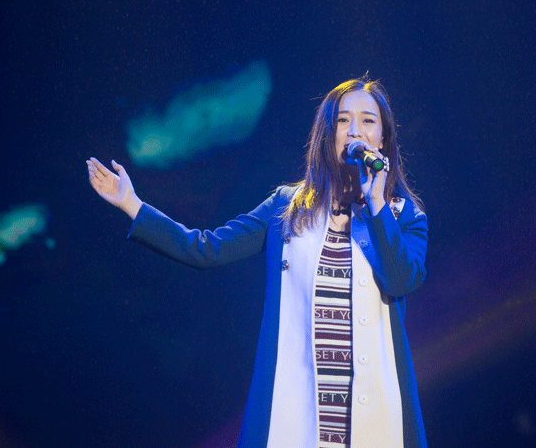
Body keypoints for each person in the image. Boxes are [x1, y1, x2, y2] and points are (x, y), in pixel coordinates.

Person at [87, 76, 428, 448]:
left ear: (383, 139)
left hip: (375, 418)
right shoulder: (288, 206)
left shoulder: (403, 216)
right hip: (297, 416)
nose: (355, 131)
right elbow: (205, 248)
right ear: (327, 135)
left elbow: (400, 280)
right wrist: (132, 204)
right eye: (343, 120)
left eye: (368, 120)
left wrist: (376, 204)